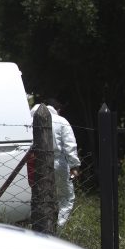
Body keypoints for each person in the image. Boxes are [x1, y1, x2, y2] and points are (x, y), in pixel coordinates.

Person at [41, 98, 80, 228]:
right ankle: (58, 227)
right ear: (58, 109)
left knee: (42, 196)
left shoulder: (32, 119)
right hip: (57, 162)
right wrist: (74, 165)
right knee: (67, 197)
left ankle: (40, 225)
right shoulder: (61, 121)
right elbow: (70, 145)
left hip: (36, 162)